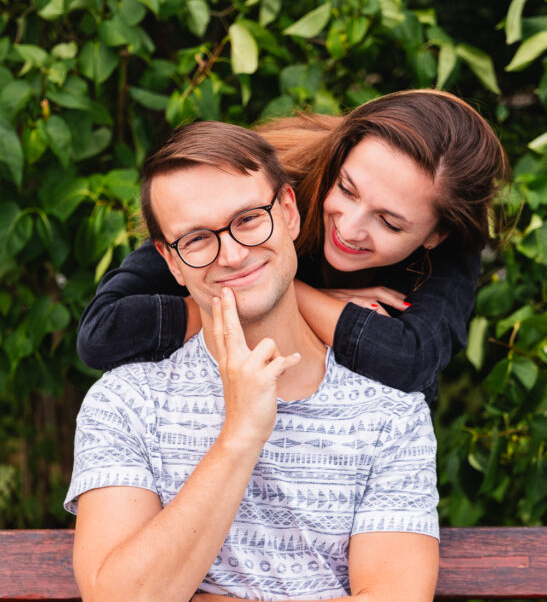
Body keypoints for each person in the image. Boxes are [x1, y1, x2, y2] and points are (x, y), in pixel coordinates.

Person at [66, 121, 439, 602]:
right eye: (197, 239)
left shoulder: (390, 414)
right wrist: (240, 433)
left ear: (288, 211)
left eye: (247, 220)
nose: (233, 254)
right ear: (170, 261)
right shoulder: (126, 400)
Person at [76, 89, 509, 405]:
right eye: (347, 189)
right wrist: (278, 293)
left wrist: (281, 295)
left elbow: (410, 360)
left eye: (389, 222)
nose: (349, 228)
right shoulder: (261, 191)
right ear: (339, 157)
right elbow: (102, 333)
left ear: (436, 234)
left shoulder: (452, 242)